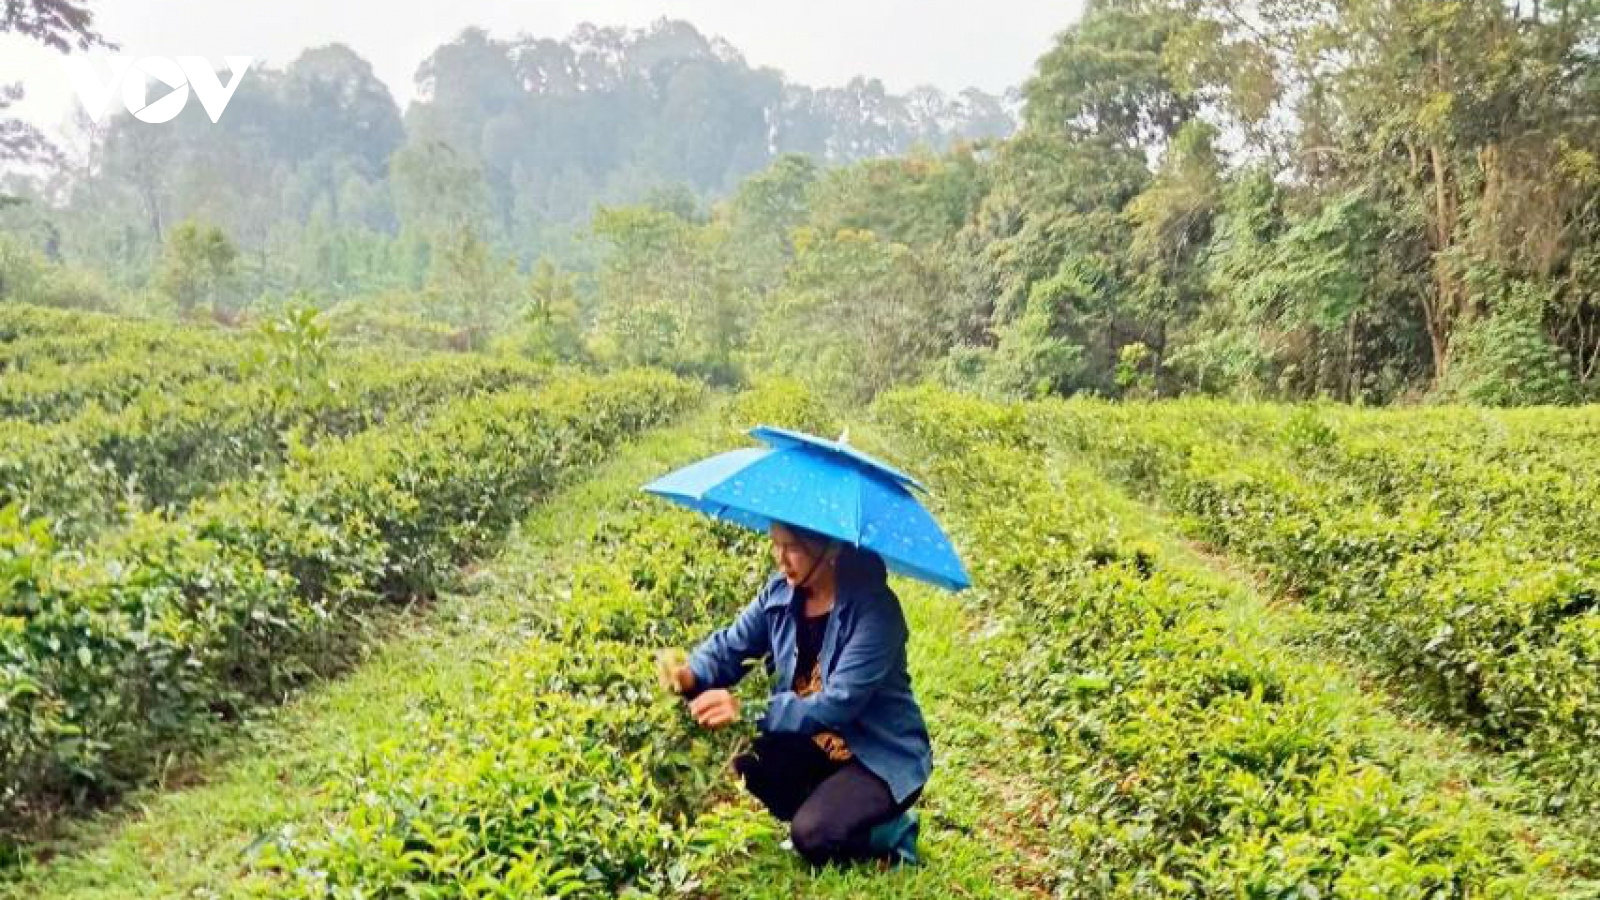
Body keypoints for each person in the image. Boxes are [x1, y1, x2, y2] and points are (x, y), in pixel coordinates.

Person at [662, 521, 930, 868]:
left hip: (876, 757)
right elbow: (730, 648)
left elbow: (838, 703)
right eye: (775, 544)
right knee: (749, 760)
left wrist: (746, 709)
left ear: (831, 548)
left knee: (812, 837)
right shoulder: (780, 594)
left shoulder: (876, 613)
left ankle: (891, 830)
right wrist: (690, 675)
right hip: (817, 745)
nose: (780, 558)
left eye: (792, 548)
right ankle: (834, 810)